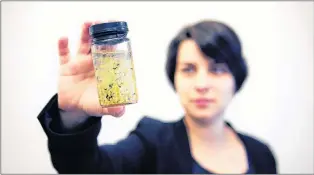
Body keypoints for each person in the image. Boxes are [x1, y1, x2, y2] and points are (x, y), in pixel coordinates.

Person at [37, 20, 277, 174]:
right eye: (189, 69)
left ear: (237, 77)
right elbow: (85, 168)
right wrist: (74, 117)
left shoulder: (262, 154)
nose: (202, 84)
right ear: (174, 78)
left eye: (217, 69)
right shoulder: (151, 141)